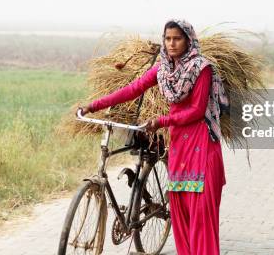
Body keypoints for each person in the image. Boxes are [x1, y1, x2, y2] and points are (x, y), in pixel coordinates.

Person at [80, 18, 228, 255]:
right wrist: (94, 105)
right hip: (180, 147)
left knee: (201, 220)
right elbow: (133, 89)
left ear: (188, 40)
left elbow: (197, 110)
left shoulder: (202, 68)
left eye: (177, 38)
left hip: (202, 146)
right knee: (182, 219)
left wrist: (161, 121)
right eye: (168, 38)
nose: (172, 44)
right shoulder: (163, 69)